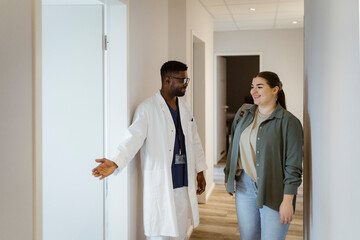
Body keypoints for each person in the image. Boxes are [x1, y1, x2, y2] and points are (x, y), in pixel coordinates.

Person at [92, 60, 207, 240]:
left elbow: (194, 140)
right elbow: (133, 138)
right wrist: (115, 162)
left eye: (187, 80)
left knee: (181, 231)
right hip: (162, 181)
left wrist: (200, 170)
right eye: (182, 80)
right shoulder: (147, 109)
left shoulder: (185, 109)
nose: (186, 85)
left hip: (183, 181)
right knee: (160, 233)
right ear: (167, 80)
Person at [224, 71, 303, 240]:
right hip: (244, 186)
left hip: (274, 190)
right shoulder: (244, 113)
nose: (254, 91)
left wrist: (288, 201)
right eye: (252, 87)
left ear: (275, 90)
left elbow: (293, 165)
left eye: (260, 87)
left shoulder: (289, 122)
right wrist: (228, 175)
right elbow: (234, 146)